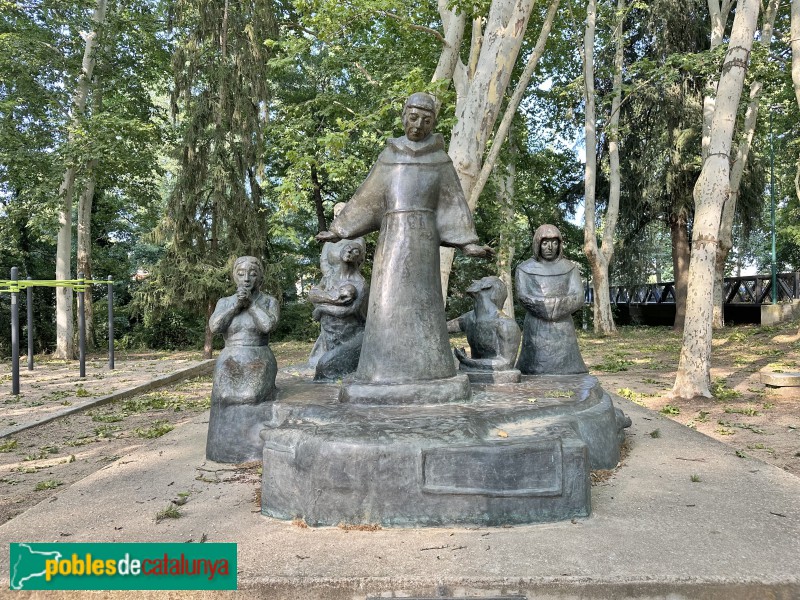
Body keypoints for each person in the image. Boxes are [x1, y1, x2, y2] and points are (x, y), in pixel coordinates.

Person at [316, 92, 489, 401]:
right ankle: (381, 367)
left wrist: (468, 243)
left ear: (434, 122)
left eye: (426, 120)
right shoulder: (389, 155)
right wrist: (339, 229)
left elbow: (453, 205)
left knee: (423, 301)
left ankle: (431, 366)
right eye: (413, 117)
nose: (418, 125)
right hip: (392, 240)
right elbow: (367, 200)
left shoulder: (440, 159)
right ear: (403, 116)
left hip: (424, 243)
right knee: (386, 301)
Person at [206, 256, 279, 462]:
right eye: (241, 274)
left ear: (260, 277)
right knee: (224, 394)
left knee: (251, 395)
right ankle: (222, 448)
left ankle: (252, 448)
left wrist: (251, 305)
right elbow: (215, 327)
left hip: (259, 357)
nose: (246, 278)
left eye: (253, 273)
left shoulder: (268, 301)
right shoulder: (225, 302)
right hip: (230, 358)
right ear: (234, 277)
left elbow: (267, 326)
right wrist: (235, 307)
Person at [515, 224, 587, 375]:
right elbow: (523, 296)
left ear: (559, 245)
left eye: (554, 242)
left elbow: (578, 297)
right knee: (533, 371)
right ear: (538, 244)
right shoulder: (524, 268)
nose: (550, 247)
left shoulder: (570, 267)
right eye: (545, 242)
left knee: (568, 373)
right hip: (536, 327)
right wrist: (546, 308)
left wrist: (553, 307)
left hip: (563, 327)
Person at [308, 241, 368, 381]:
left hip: (350, 336)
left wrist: (322, 308)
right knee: (329, 370)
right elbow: (313, 294)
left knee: (325, 367)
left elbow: (349, 311)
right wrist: (334, 299)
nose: (349, 251)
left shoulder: (360, 284)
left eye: (355, 251)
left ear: (360, 259)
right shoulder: (329, 277)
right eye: (347, 248)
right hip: (328, 334)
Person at [448, 276, 521, 373]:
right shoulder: (469, 318)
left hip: (497, 378)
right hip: (472, 372)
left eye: (482, 280)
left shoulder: (506, 324)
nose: (474, 280)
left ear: (488, 287)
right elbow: (440, 328)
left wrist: (468, 362)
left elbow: (506, 363)